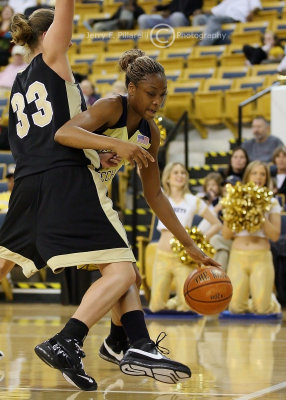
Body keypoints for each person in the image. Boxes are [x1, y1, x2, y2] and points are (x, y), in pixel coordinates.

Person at [0, 4, 219, 391]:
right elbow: (64, 134)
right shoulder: (80, 85)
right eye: (151, 93)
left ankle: (125, 343)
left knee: (17, 261)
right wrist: (108, 150)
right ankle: (85, 342)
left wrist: (190, 245)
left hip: (30, 180)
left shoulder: (21, 81)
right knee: (122, 271)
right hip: (65, 183)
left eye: (162, 95)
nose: (157, 101)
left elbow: (156, 196)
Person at [149, 162, 222, 312]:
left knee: (187, 306)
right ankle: (173, 302)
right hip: (161, 256)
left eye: (183, 173)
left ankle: (178, 303)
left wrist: (199, 241)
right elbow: (145, 176)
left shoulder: (193, 200)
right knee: (156, 306)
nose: (180, 175)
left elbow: (216, 224)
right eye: (175, 172)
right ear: (167, 178)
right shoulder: (160, 196)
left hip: (183, 258)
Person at [222, 160, 282, 314]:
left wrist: (259, 213)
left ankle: (271, 301)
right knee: (235, 308)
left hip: (261, 257)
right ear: (247, 176)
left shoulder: (272, 201)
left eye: (263, 174)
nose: (258, 177)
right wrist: (236, 211)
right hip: (238, 256)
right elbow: (226, 234)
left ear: (266, 179)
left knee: (263, 309)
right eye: (255, 173)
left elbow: (275, 236)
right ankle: (255, 299)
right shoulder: (235, 199)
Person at [196, 0, 262, 46]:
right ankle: (196, 40)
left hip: (236, 18)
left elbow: (257, 7)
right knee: (199, 18)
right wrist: (202, 11)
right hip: (225, 18)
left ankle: (205, 43)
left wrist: (252, 13)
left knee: (214, 20)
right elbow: (215, 11)